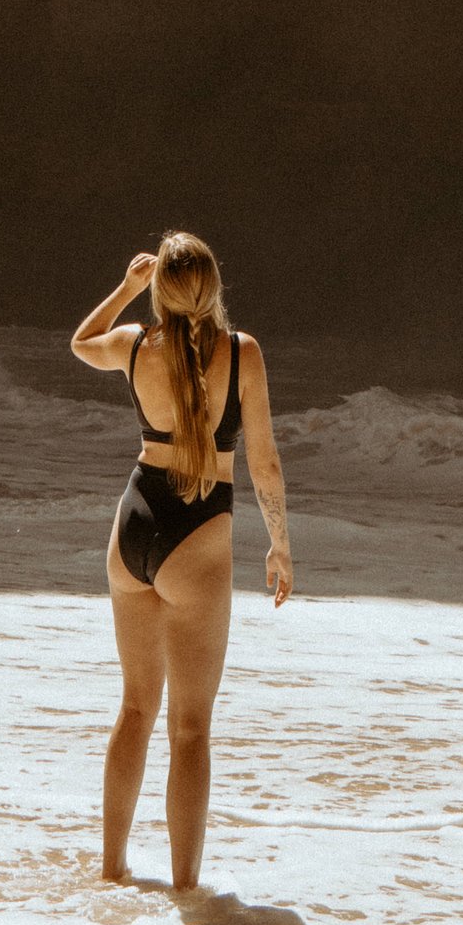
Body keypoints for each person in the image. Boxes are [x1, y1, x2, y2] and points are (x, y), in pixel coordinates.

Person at [70, 228, 292, 888]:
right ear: (215, 286)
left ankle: (110, 871)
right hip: (197, 534)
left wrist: (126, 289)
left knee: (136, 708)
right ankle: (187, 894)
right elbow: (266, 464)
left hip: (133, 523)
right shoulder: (241, 352)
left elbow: (81, 342)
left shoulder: (135, 344)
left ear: (161, 289)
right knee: (190, 730)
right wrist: (280, 544)